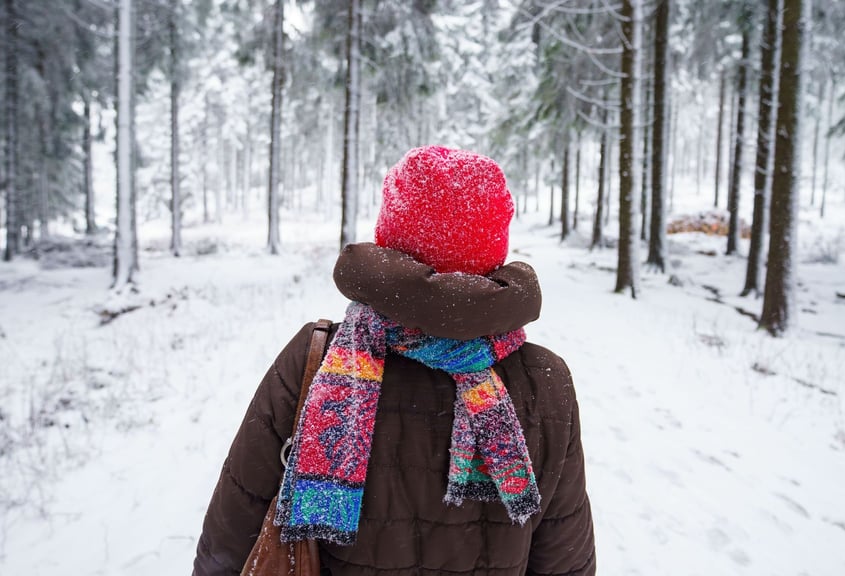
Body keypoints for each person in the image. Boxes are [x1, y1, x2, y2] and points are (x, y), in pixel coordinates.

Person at [193, 145, 596, 575]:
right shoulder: (545, 381)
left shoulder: (317, 359)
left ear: (391, 241)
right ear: (493, 249)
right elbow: (564, 560)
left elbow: (233, 533)